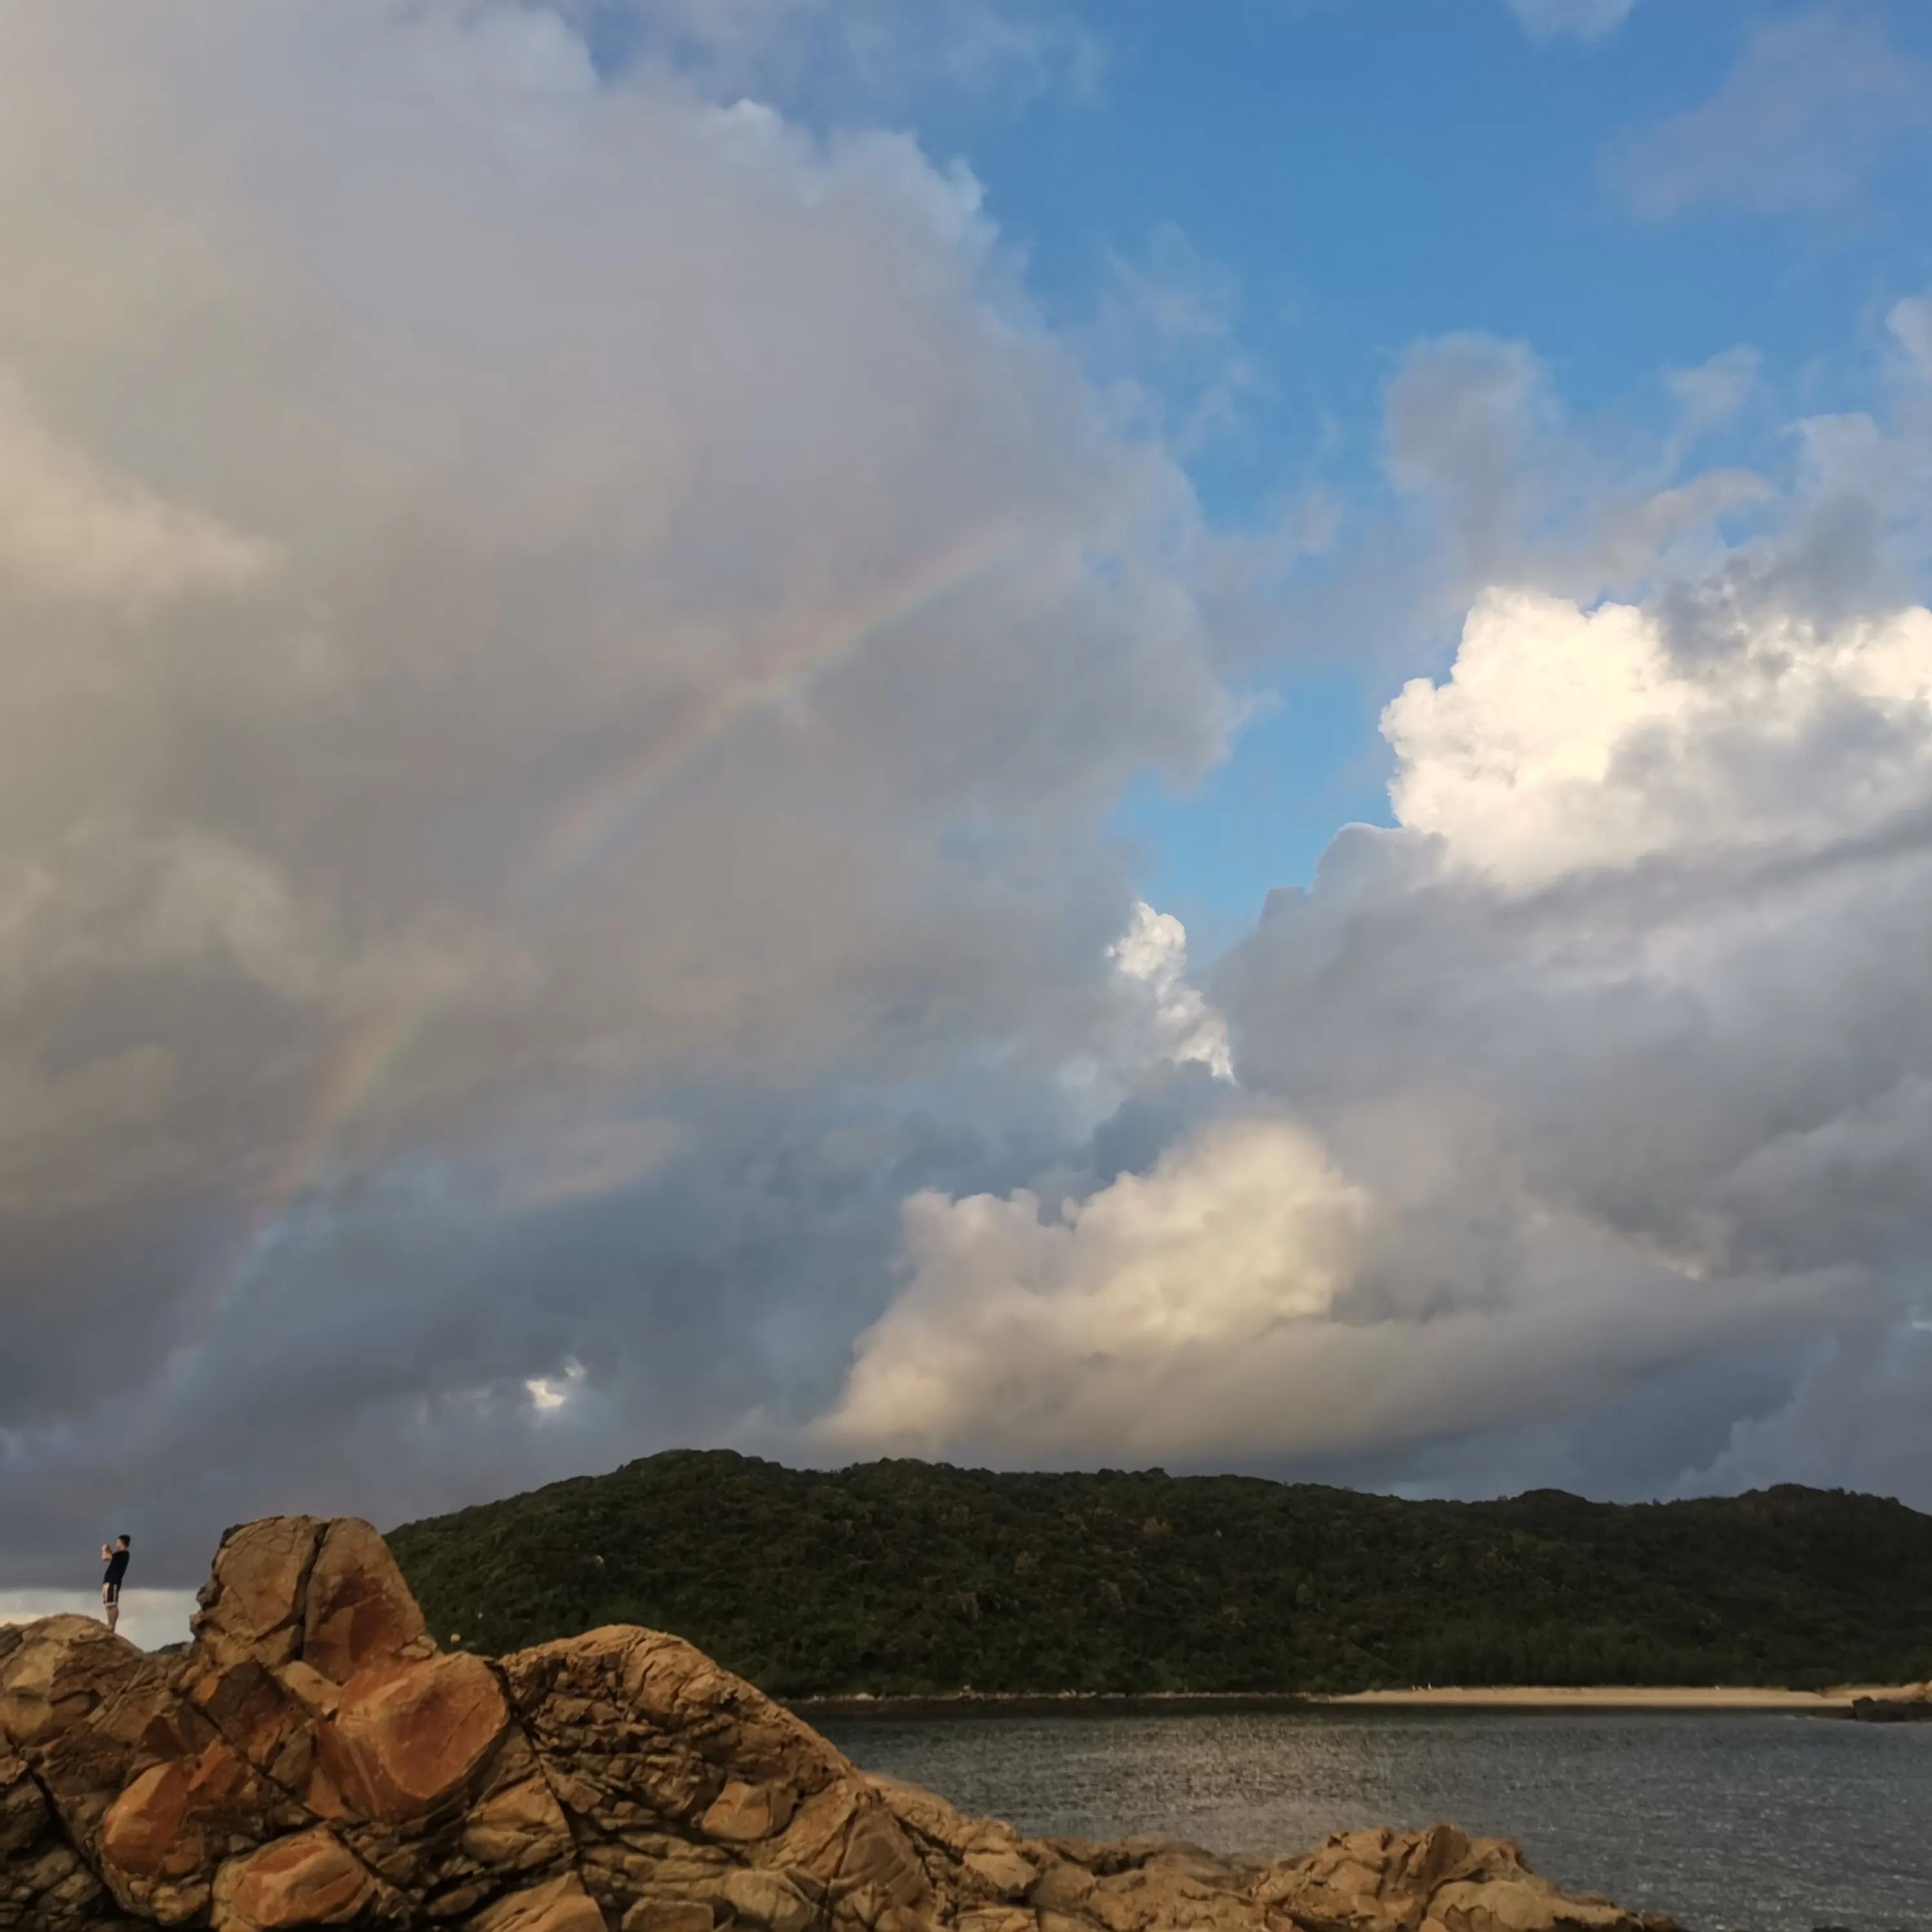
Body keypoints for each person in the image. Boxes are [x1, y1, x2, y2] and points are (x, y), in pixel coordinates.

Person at [100, 1534, 131, 1634]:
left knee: (112, 1604)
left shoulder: (123, 1554)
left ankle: (111, 1625)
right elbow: (111, 1557)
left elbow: (105, 1558)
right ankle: (110, 1624)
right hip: (109, 1581)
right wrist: (108, 1550)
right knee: (108, 1604)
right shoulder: (120, 1555)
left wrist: (104, 1550)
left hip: (113, 1581)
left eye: (118, 1542)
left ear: (122, 1543)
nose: (116, 1544)